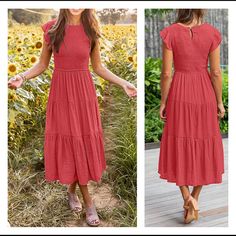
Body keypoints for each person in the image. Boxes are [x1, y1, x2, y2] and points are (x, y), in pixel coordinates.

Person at [8, 9, 137, 227]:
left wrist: (123, 82)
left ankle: (71, 192)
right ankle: (89, 203)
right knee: (71, 142)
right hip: (61, 94)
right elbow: (41, 65)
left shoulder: (91, 30)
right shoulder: (51, 29)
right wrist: (22, 76)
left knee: (82, 143)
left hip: (84, 95)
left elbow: (98, 67)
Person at [158, 9, 225, 224]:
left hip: (179, 92)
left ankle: (187, 197)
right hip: (204, 93)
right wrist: (220, 101)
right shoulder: (212, 33)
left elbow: (166, 73)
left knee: (179, 144)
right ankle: (194, 198)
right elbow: (215, 72)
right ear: (201, 10)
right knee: (204, 143)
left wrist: (163, 102)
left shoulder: (170, 33)